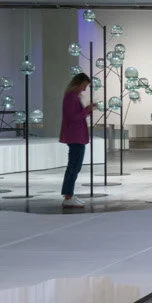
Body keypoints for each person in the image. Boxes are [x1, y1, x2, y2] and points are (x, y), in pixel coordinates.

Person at [59, 71, 94, 208]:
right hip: (75, 136)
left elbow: (75, 115)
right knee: (74, 166)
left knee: (74, 166)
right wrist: (86, 110)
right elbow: (73, 117)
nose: (84, 89)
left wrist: (86, 111)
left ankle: (69, 195)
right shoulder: (71, 97)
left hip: (76, 136)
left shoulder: (72, 97)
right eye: (84, 86)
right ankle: (68, 196)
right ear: (78, 84)